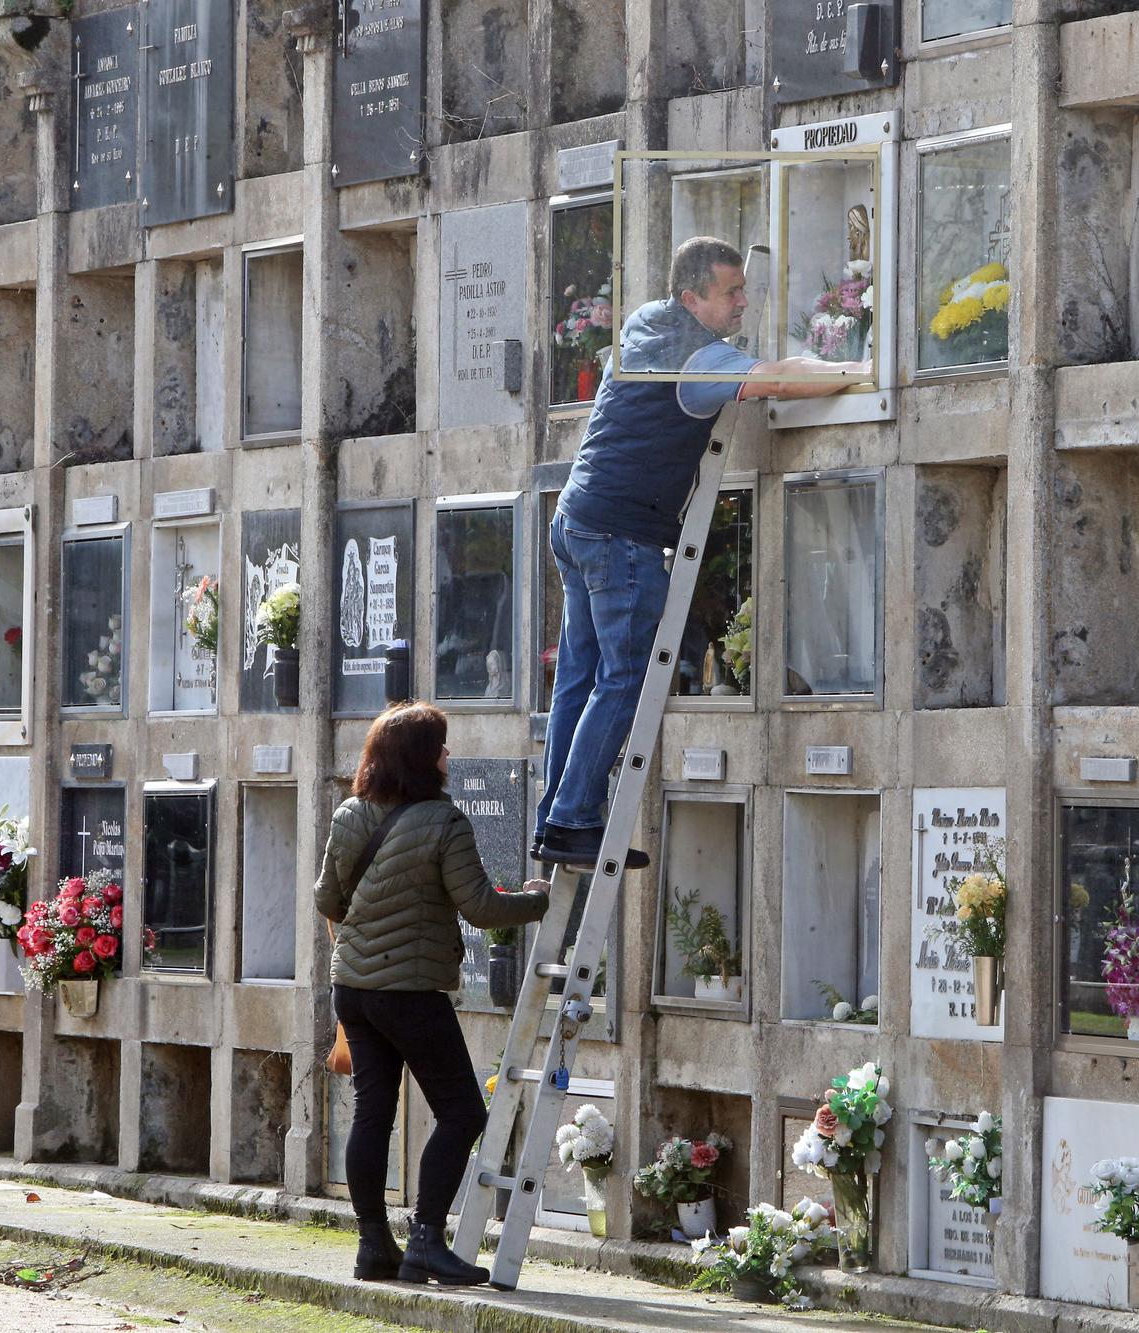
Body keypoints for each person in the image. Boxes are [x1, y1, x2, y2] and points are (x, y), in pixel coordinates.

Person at [534, 236, 864, 868]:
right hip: (621, 536)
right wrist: (863, 368)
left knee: (578, 680)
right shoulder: (697, 360)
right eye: (731, 293)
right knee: (625, 677)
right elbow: (776, 379)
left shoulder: (643, 322)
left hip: (577, 519)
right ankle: (575, 819)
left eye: (744, 288)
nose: (743, 303)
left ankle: (557, 818)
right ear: (692, 298)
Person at [315, 701, 550, 1286]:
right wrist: (539, 899)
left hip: (355, 990)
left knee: (373, 1114)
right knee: (464, 1111)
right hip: (412, 992)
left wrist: (365, 940)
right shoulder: (444, 822)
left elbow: (327, 900)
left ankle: (374, 1245)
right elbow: (480, 906)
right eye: (441, 747)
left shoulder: (350, 815)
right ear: (423, 759)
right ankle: (425, 1240)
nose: (448, 756)